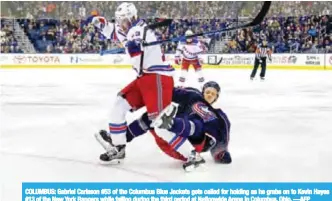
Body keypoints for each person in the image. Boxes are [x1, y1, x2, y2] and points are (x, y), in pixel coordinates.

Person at [95, 2, 175, 162]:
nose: (121, 24)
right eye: (119, 20)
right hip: (145, 77)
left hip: (157, 76)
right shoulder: (131, 30)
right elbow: (114, 33)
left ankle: (191, 153)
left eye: (123, 20)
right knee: (120, 103)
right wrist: (101, 23)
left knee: (159, 122)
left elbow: (136, 57)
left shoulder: (137, 31)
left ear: (132, 18)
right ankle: (118, 146)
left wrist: (133, 48)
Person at [96, 81, 232, 171]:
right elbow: (171, 92)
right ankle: (119, 143)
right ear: (203, 92)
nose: (210, 95)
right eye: (208, 92)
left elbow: (224, 133)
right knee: (153, 116)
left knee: (197, 125)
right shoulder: (193, 95)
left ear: (216, 98)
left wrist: (220, 153)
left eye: (213, 94)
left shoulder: (218, 114)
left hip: (196, 144)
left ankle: (170, 125)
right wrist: (151, 91)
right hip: (174, 141)